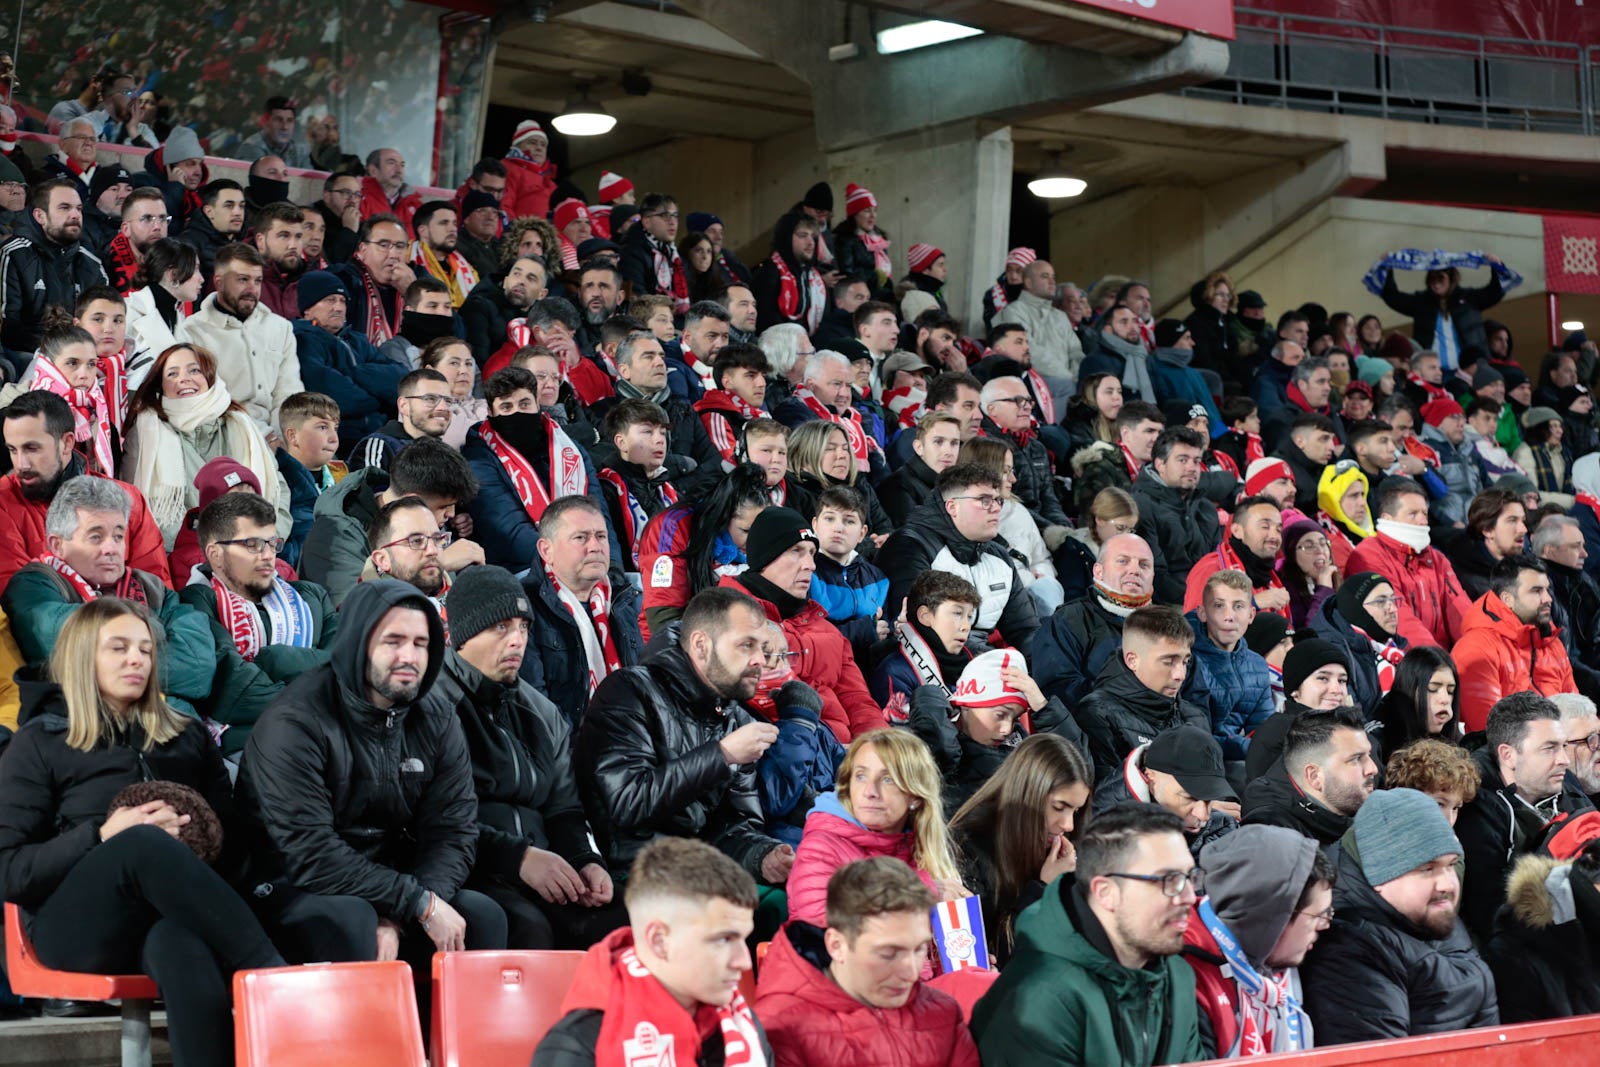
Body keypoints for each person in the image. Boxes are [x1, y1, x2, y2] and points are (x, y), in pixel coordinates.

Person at [0, 598, 286, 1065]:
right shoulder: (40, 741)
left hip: (171, 918)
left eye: (146, 650)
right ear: (82, 657)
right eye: (118, 648)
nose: (137, 659)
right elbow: (9, 871)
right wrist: (101, 834)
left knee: (181, 948)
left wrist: (201, 840)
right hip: (72, 928)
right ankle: (277, 985)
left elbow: (238, 843)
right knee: (140, 842)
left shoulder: (187, 736)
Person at [238, 579, 508, 970]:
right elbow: (309, 853)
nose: (409, 657)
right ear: (358, 644)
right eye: (393, 641)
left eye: (420, 644)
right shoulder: (294, 721)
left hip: (389, 886)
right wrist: (416, 902)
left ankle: (444, 1034)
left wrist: (406, 911)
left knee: (482, 916)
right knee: (353, 922)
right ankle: (357, 1034)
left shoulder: (436, 716)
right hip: (288, 883)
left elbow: (453, 832)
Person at [412, 564, 624, 951]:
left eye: (523, 627)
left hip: (542, 866)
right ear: (461, 636)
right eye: (500, 628)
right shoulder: (431, 705)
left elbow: (565, 808)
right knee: (528, 930)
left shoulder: (541, 711)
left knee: (620, 922)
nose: (517, 641)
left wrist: (585, 861)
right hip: (472, 868)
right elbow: (432, 819)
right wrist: (519, 859)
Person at [577, 586, 792, 885]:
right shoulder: (628, 691)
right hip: (634, 873)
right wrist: (721, 755)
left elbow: (737, 824)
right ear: (701, 645)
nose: (761, 660)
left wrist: (762, 857)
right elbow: (628, 804)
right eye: (747, 646)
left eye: (763, 648)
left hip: (701, 870)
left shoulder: (736, 717)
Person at [970, 804, 1205, 1066]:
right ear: (1106, 893)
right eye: (1169, 880)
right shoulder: (1038, 999)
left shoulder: (1177, 976)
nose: (1189, 897)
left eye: (1190, 877)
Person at [530, 836, 772, 1067]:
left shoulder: (744, 1027)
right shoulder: (577, 1046)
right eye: (723, 939)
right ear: (659, 941)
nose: (743, 961)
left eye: (742, 938)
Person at [1299, 788, 1499, 1044]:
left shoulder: (1428, 910)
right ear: (1379, 876)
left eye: (1450, 865)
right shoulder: (1346, 950)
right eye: (1427, 869)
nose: (1447, 884)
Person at [2, 475, 214, 710]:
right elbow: (74, 647)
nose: (111, 549)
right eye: (96, 537)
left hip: (176, 730)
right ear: (57, 545)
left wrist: (118, 654)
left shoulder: (153, 589)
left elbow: (198, 669)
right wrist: (154, 629)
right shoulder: (33, 587)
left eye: (118, 536)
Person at [757, 856, 979, 1067]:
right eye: (889, 954)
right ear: (837, 945)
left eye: (919, 949)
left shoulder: (944, 1013)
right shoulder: (780, 1026)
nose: (911, 973)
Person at [786, 727, 963, 930]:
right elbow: (821, 928)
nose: (870, 792)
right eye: (860, 776)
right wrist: (923, 894)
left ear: (915, 796)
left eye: (888, 780)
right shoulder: (821, 847)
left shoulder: (922, 847)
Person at [120, 342, 289, 550]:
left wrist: (264, 541)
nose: (184, 378)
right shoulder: (145, 432)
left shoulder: (244, 426)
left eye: (195, 370)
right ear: (160, 386)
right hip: (182, 559)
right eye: (172, 374)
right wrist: (211, 554)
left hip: (253, 550)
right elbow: (141, 506)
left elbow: (278, 494)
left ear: (210, 377)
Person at [1181, 826, 1332, 1058]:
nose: (1325, 925)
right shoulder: (1188, 979)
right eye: (1318, 916)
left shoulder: (1275, 966)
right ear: (1273, 917)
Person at [1457, 691, 1594, 942]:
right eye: (1549, 748)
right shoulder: (1475, 808)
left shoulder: (1562, 780)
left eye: (1563, 746)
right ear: (1508, 755)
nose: (1563, 760)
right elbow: (1493, 918)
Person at [0, 391, 169, 588]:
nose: (21, 464)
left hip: (131, 616)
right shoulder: (3, 502)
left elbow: (158, 591)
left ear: (67, 443)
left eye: (32, 449)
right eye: (13, 450)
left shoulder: (129, 500)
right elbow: (19, 596)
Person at [946, 733, 1090, 965]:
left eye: (1075, 811)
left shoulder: (1061, 854)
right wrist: (1044, 891)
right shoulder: (965, 847)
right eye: (1059, 807)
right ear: (1028, 793)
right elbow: (987, 961)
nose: (1068, 824)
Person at [464, 367, 616, 572]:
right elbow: (509, 531)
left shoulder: (569, 450)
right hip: (522, 571)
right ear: (490, 413)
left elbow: (600, 516)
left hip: (584, 561)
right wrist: (569, 562)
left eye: (524, 404)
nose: (517, 413)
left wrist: (613, 566)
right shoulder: (479, 457)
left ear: (537, 404)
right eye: (506, 407)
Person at [301, 436, 481, 608]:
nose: (451, 514)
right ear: (413, 501)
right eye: (444, 507)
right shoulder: (333, 535)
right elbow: (358, 609)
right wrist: (439, 563)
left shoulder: (428, 533)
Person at [520, 495, 643, 726]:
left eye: (601, 536)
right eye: (580, 538)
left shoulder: (623, 598)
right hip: (570, 751)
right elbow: (535, 709)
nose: (595, 547)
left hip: (631, 738)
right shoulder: (524, 605)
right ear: (546, 550)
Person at [176, 243, 302, 438]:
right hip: (224, 435)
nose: (252, 289)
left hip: (279, 436)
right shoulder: (192, 332)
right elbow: (206, 403)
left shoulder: (280, 327)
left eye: (258, 281)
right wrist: (262, 436)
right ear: (219, 282)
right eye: (243, 280)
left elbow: (288, 393)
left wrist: (282, 437)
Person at [1075, 605, 1213, 782]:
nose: (1180, 675)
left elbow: (1214, 786)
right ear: (1132, 661)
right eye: (1168, 662)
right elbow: (1107, 797)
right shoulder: (1097, 714)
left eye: (1185, 662)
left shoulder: (1195, 718)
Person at [1453, 558, 1576, 733]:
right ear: (1507, 599)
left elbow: (1576, 710)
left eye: (1547, 590)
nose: (1548, 598)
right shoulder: (1476, 648)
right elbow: (1488, 730)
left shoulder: (1552, 642)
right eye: (1536, 591)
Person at [1347, 477, 1471, 648]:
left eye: (1424, 513)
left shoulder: (1436, 558)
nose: (1423, 521)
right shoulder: (1368, 556)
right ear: (1387, 518)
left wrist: (1480, 649)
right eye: (1412, 514)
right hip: (1399, 661)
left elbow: (1461, 610)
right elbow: (1399, 618)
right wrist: (1435, 662)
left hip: (1440, 659)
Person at [1035, 532, 1155, 709]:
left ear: (1153, 576)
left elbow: (1194, 696)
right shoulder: (1066, 621)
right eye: (1123, 561)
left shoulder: (1169, 626)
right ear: (1098, 571)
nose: (1135, 570)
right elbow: (1059, 691)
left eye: (1144, 565)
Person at [0, 179, 109, 368]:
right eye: (64, 208)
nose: (75, 214)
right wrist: (59, 351)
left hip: (80, 358)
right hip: (29, 357)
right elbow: (9, 328)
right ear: (40, 216)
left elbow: (103, 324)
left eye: (78, 208)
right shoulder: (14, 255)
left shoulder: (92, 265)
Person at [290, 270, 407, 445]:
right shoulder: (302, 339)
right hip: (338, 440)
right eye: (330, 300)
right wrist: (379, 400)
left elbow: (399, 378)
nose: (338, 307)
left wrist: (350, 372)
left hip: (378, 434)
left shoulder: (357, 340)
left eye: (342, 301)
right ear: (308, 308)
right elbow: (331, 395)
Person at [1095, 724, 1240, 862]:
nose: (1204, 815)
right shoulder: (1106, 826)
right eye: (1189, 797)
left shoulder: (1221, 823)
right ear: (1150, 778)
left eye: (1209, 799)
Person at [1243, 707, 1377, 846]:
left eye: (1369, 755)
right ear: (1314, 776)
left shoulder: (1355, 806)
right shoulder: (1273, 837)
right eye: (1356, 759)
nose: (1373, 769)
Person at [1188, 571, 1276, 765]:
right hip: (1196, 761)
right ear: (1202, 613)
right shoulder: (1185, 658)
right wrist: (1249, 748)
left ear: (1251, 614)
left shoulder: (1258, 665)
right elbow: (1192, 735)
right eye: (1219, 606)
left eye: (1238, 606)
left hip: (1240, 761)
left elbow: (1263, 730)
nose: (1229, 617)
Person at [1132, 427, 1219, 604]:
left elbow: (1217, 565)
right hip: (1166, 607)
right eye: (1182, 460)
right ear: (1160, 464)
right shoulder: (1140, 506)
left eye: (1196, 461)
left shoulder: (1206, 508)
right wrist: (1199, 602)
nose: (1191, 467)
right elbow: (1155, 575)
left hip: (1207, 602)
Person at [1308, 572, 1406, 717]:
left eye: (1393, 600)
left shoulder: (1396, 651)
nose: (1392, 609)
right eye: (1380, 602)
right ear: (1355, 608)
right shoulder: (1331, 653)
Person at [1182, 496, 1287, 616]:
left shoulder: (1268, 575)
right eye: (1265, 527)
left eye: (1279, 529)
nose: (1274, 536)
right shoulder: (1213, 567)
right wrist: (1253, 603)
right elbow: (1196, 623)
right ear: (1237, 531)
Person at [1374, 646, 1463, 759]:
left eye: (1450, 691)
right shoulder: (1378, 740)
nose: (1445, 699)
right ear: (1410, 687)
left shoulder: (1457, 739)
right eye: (1433, 689)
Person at [1444, 488, 1529, 601]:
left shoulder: (1530, 566)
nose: (1523, 529)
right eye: (1512, 520)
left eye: (1523, 521)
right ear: (1487, 529)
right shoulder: (1464, 579)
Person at [754, 212, 827, 334]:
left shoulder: (813, 276)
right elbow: (765, 320)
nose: (811, 242)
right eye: (803, 235)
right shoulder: (768, 273)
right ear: (787, 238)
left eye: (813, 236)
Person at [357, 148, 423, 233]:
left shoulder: (415, 204)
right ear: (373, 170)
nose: (399, 170)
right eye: (391, 163)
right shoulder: (358, 200)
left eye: (402, 165)